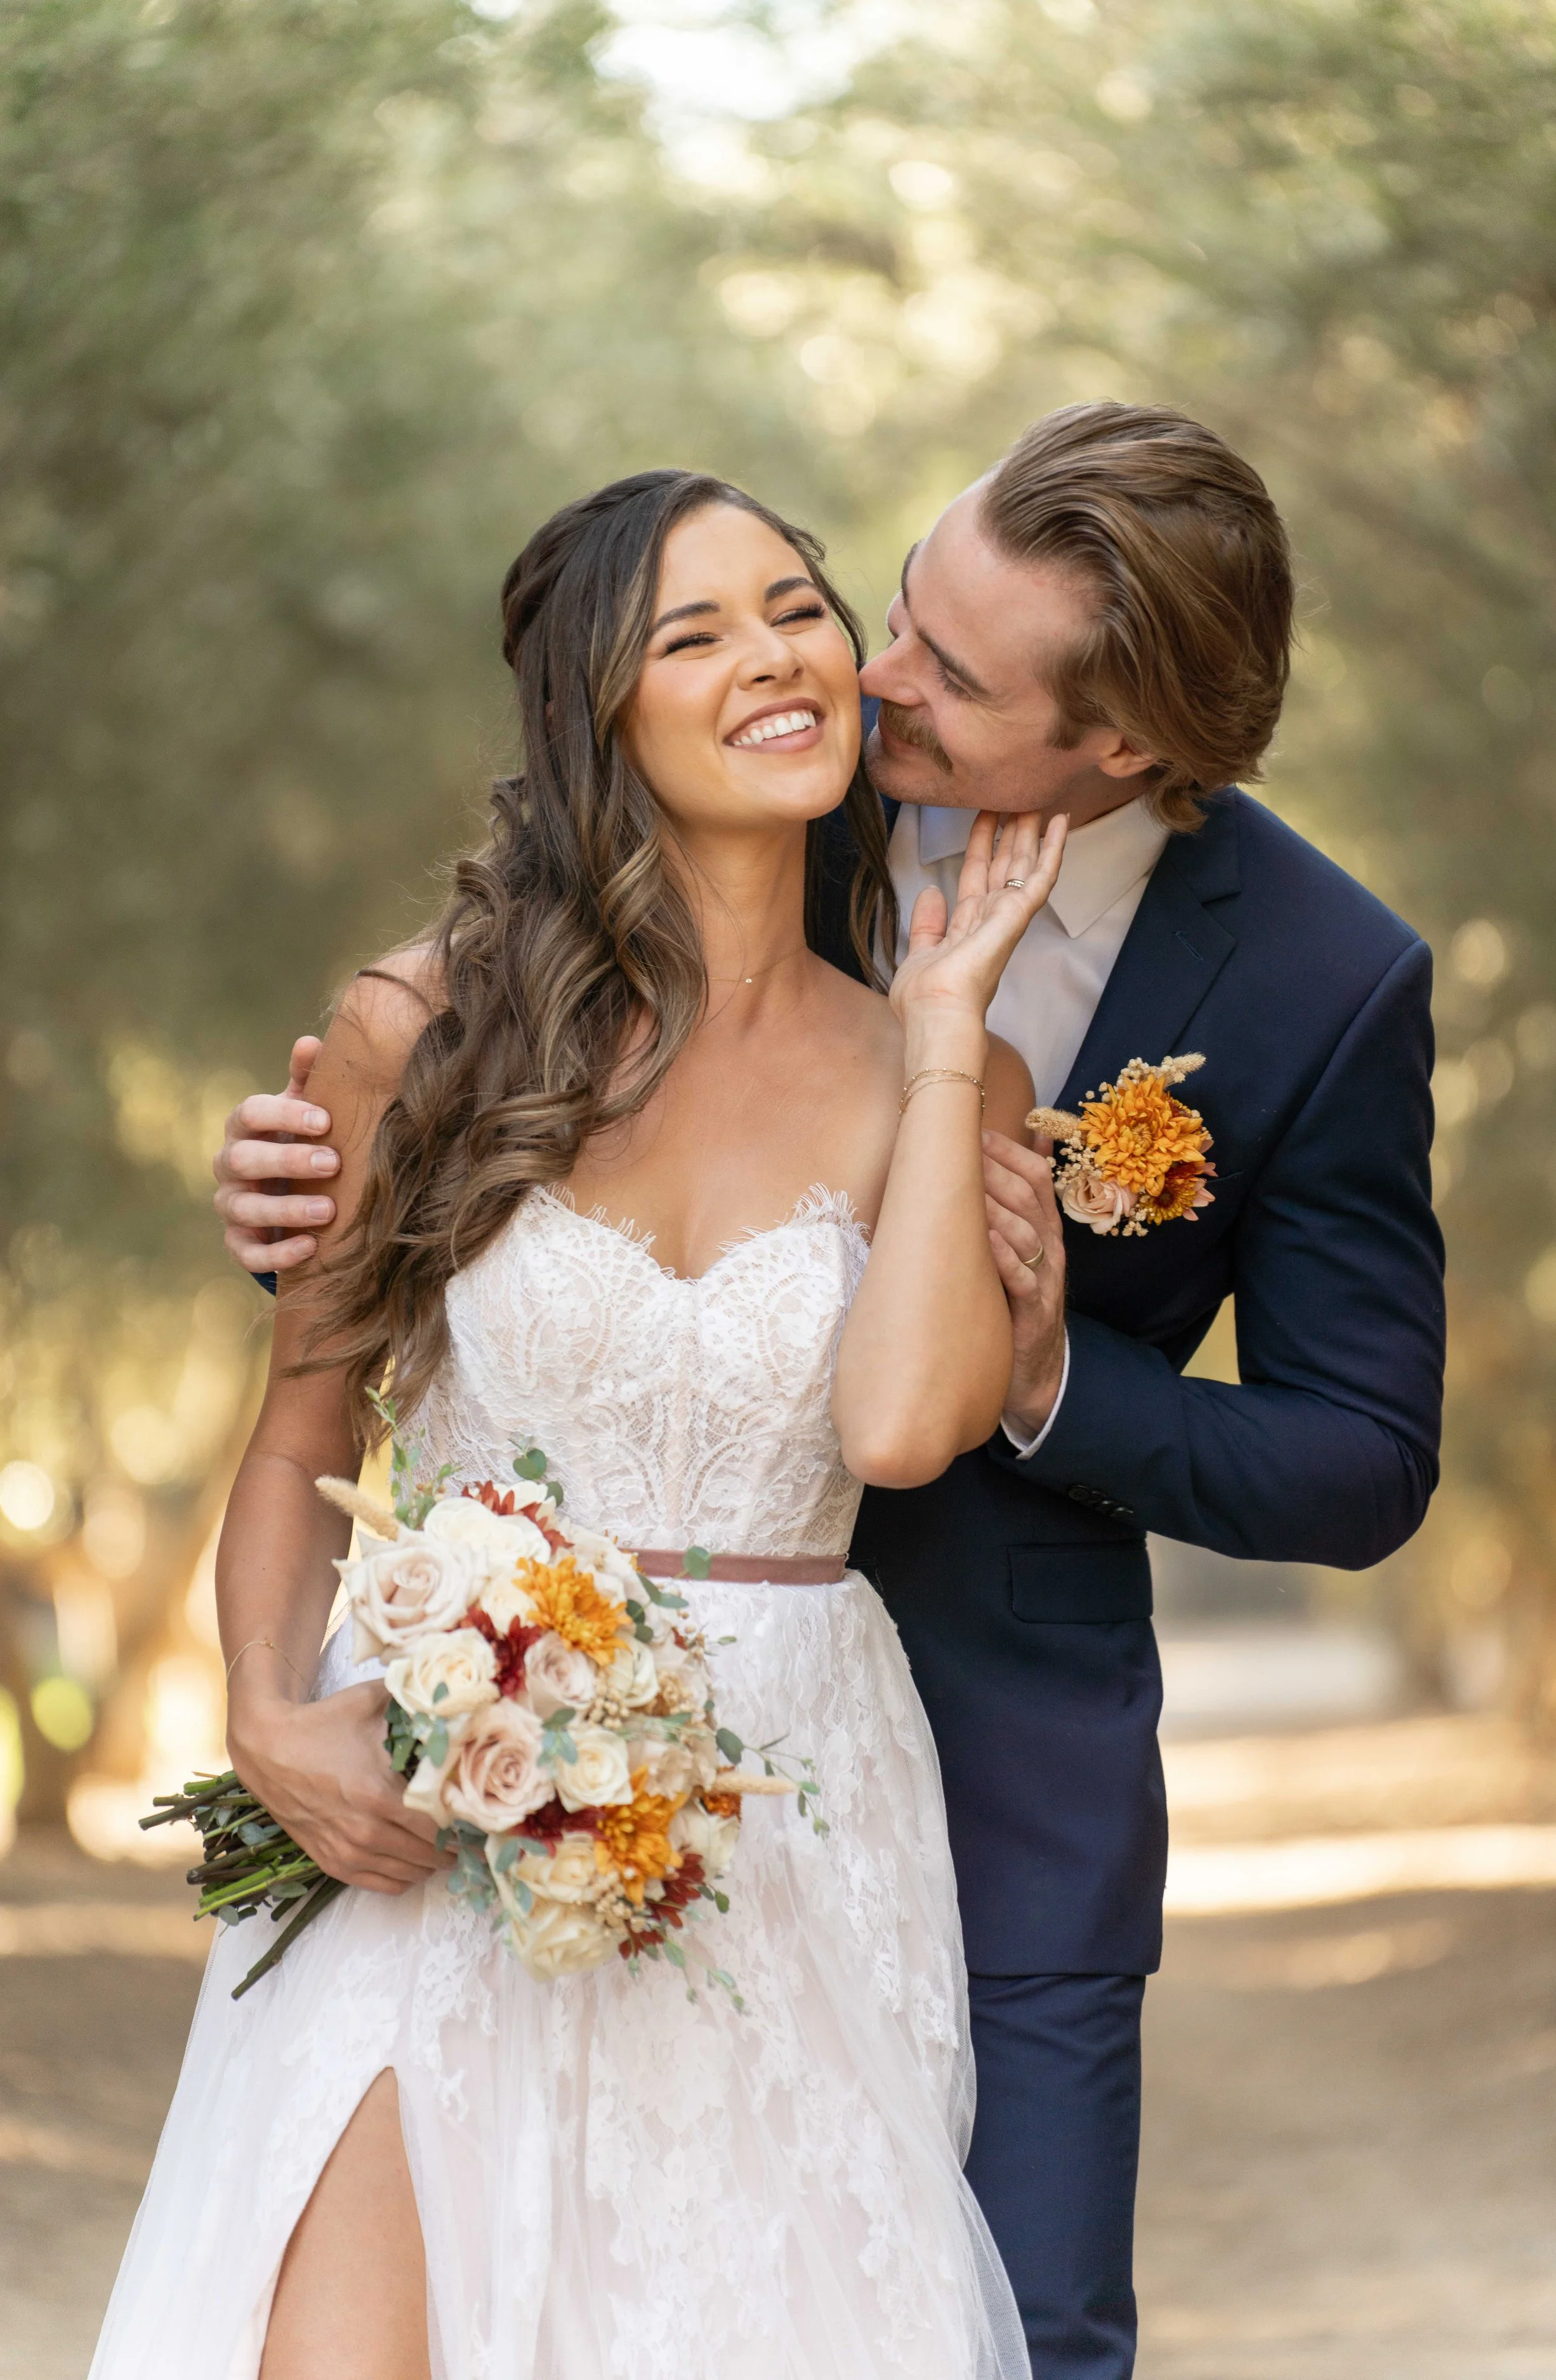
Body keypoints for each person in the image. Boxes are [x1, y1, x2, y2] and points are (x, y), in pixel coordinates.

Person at [211, 404, 1447, 2379]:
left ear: (1117, 741)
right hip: (514, 1712)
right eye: (880, 603)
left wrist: (1043, 1372)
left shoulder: (1320, 978)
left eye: (944, 672)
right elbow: (456, 1153)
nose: (868, 672)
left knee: (999, 2341)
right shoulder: (784, 754)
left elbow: (1360, 1455)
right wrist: (294, 1193)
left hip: (970, 1749)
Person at [93, 469, 1065, 2379]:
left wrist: (950, 1025)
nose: (771, 655)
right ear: (591, 712)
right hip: (435, 1781)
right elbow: (301, 1429)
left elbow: (894, 1429)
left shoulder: (938, 1064)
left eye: (792, 604)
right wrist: (269, 1709)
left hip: (778, 1804)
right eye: (689, 632)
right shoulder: (419, 1024)